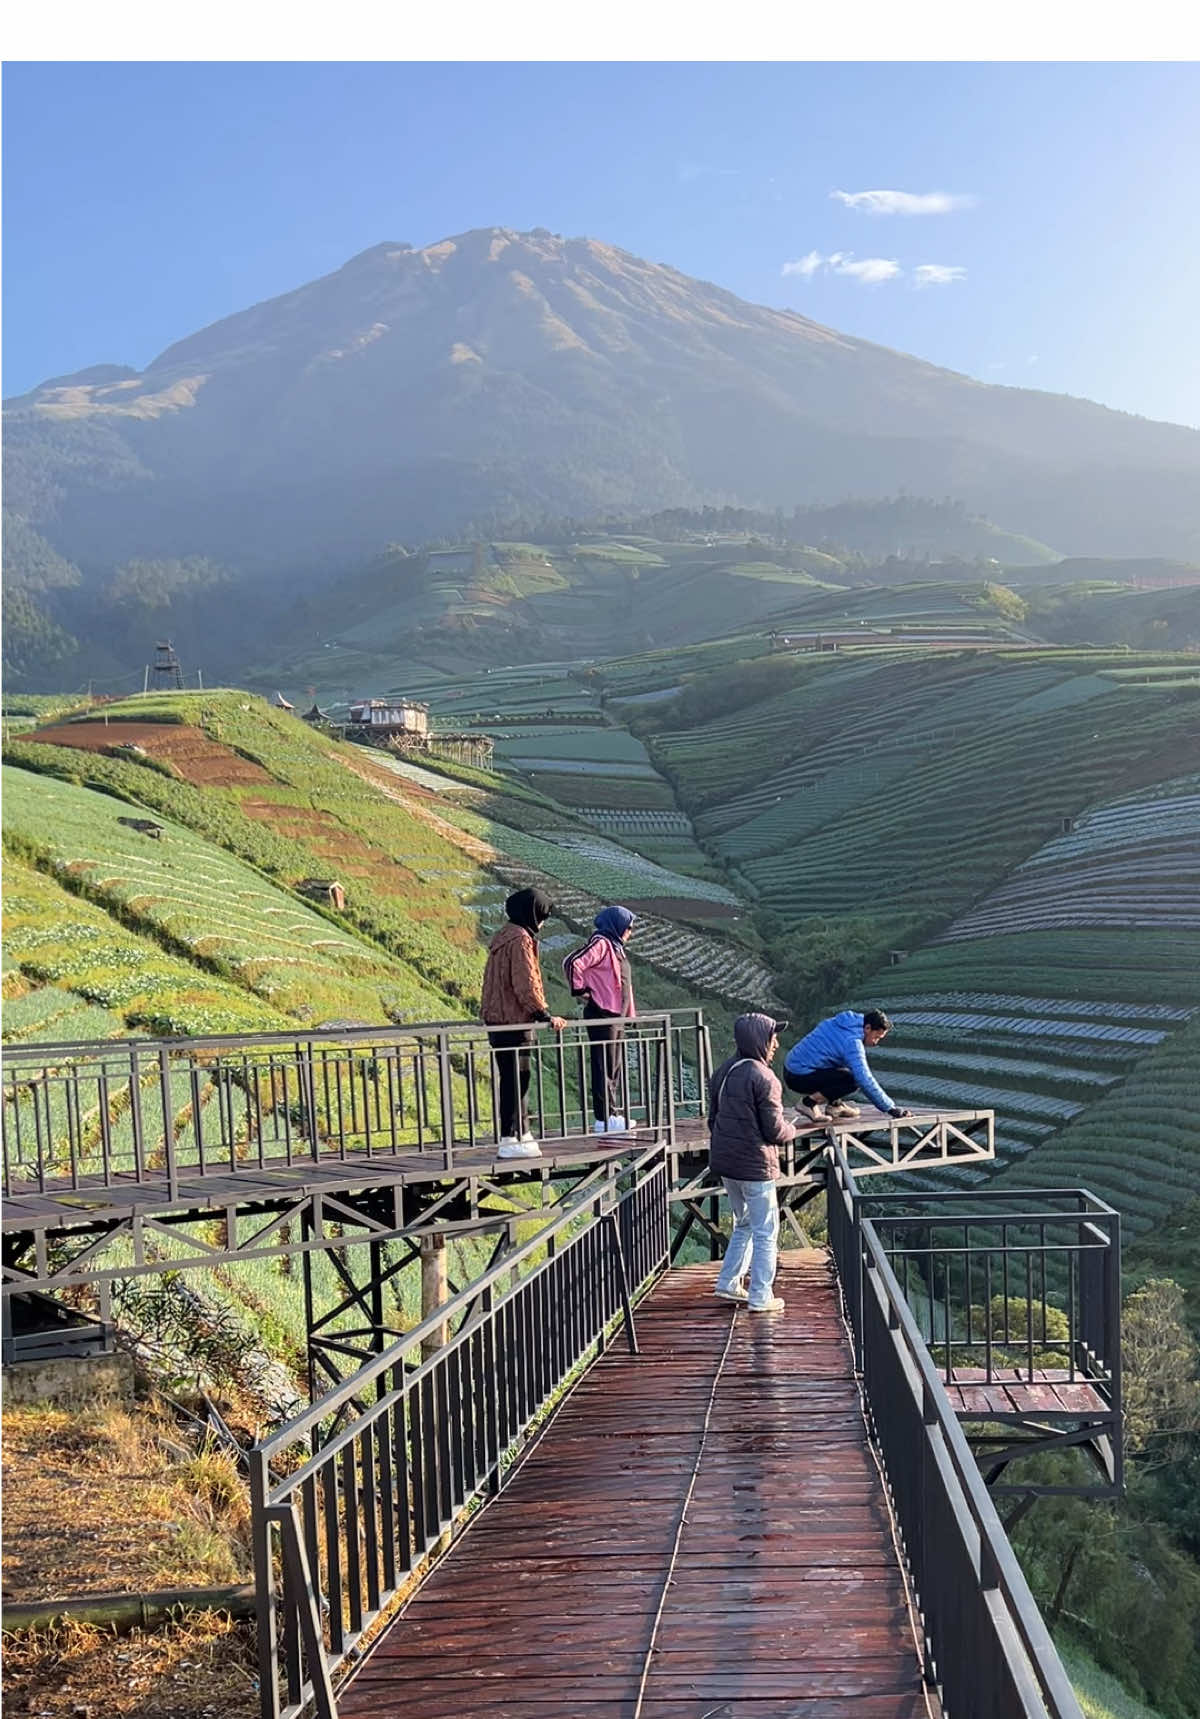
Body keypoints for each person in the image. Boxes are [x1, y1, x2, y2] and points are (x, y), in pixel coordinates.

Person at [708, 1013, 796, 1315]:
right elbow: (774, 1131)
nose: (776, 1043)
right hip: (755, 1167)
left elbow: (712, 1119)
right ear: (760, 1039)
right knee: (765, 1230)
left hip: (726, 1164)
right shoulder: (764, 1078)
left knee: (744, 1222)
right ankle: (760, 1295)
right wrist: (793, 1128)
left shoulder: (723, 1072)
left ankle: (729, 1282)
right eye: (772, 1037)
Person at [480, 888, 566, 1159]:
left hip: (498, 1020)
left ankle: (515, 1135)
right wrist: (543, 1014)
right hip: (515, 1021)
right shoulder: (520, 940)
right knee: (519, 1080)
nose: (542, 923)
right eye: (541, 916)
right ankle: (514, 1138)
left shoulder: (503, 936)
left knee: (511, 1081)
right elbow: (525, 981)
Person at [563, 906, 636, 1135]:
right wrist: (582, 991)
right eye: (628, 926)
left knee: (613, 1066)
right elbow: (573, 962)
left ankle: (612, 1115)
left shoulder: (616, 947)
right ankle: (604, 1119)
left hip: (615, 1016)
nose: (630, 931)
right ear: (616, 925)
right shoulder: (602, 943)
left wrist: (629, 1014)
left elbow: (624, 983)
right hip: (602, 1014)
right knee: (603, 1066)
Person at [782, 1008, 911, 1123]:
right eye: (876, 1037)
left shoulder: (847, 1023)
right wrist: (890, 1108)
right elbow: (864, 1079)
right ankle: (808, 1103)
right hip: (798, 1076)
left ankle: (835, 1106)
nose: (875, 1042)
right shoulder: (852, 1042)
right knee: (853, 1080)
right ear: (868, 1028)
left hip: (791, 1067)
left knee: (842, 1070)